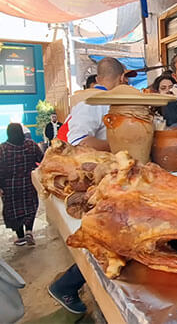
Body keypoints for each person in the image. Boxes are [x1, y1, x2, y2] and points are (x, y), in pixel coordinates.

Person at [49, 57, 128, 315]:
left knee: (112, 232)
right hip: (88, 179)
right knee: (105, 233)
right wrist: (118, 144)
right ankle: (68, 286)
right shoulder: (91, 102)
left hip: (108, 177)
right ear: (121, 78)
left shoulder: (107, 100)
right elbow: (80, 141)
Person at [58, 57, 128, 150]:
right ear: (122, 78)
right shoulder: (95, 103)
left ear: (98, 79)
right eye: (127, 78)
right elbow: (78, 142)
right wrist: (121, 146)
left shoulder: (88, 100)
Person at [0, 123, 44, 246]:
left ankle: (20, 237)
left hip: (10, 187)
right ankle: (29, 231)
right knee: (30, 207)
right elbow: (42, 159)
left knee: (15, 211)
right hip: (29, 184)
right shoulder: (31, 145)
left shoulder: (3, 148)